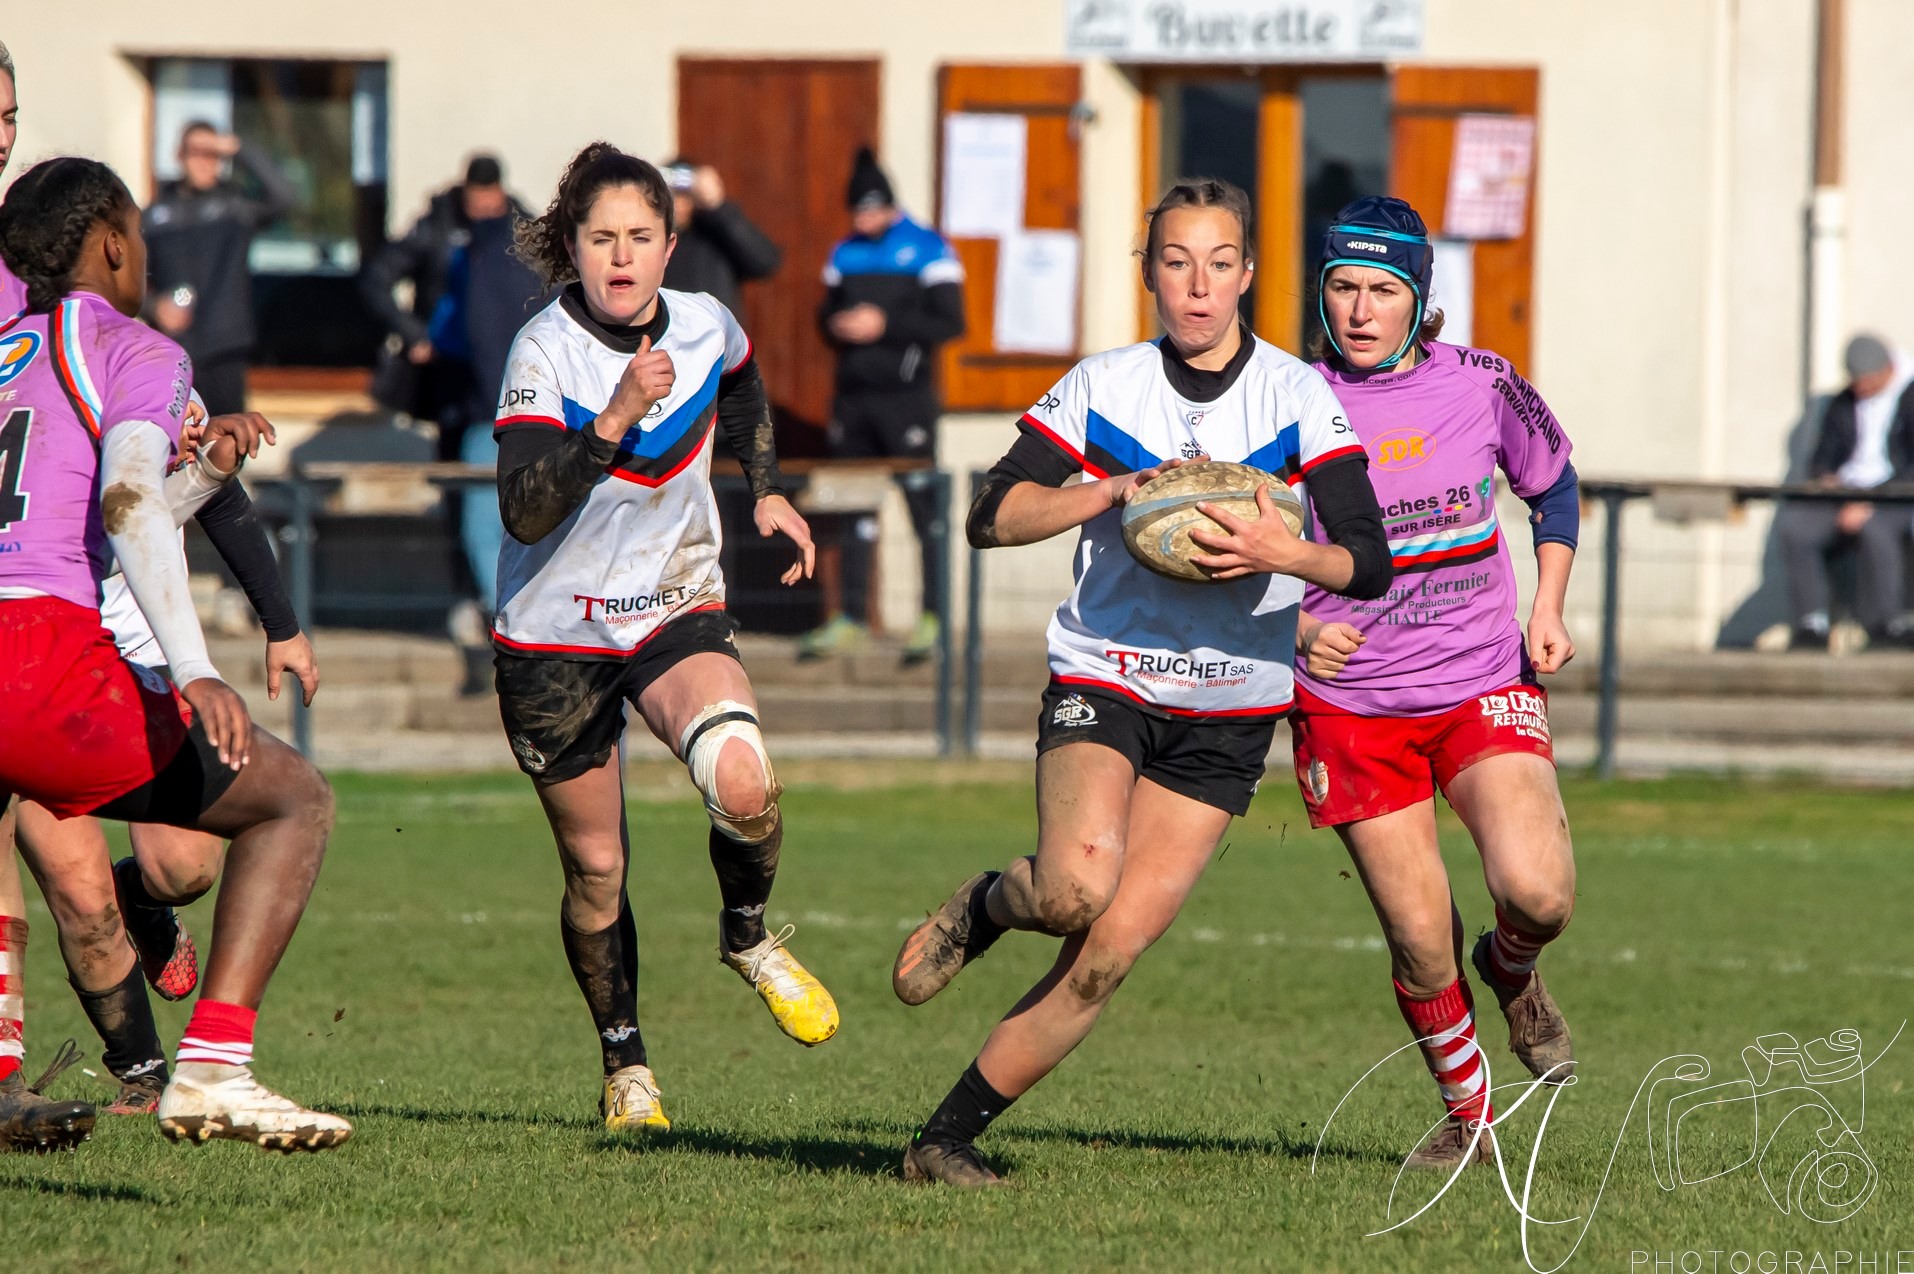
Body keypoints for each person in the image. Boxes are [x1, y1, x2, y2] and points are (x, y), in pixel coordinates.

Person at [889, 179, 1391, 1187]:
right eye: (1175, 261)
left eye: (1218, 263)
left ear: (1248, 273)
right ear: (1149, 271)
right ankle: (991, 903)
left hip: (1231, 709)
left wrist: (1282, 552)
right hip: (1108, 676)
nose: (1197, 286)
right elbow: (992, 511)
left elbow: (1369, 559)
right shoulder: (1105, 386)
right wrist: (1117, 490)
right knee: (1073, 886)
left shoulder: (1296, 396)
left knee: (1107, 952)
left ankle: (941, 1141)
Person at [0, 155, 348, 1151]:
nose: (146, 252)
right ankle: (213, 1066)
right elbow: (128, 499)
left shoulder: (6, 353)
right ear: (112, 245)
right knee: (292, 798)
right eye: (142, 234)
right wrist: (194, 666)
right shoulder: (134, 346)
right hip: (43, 656)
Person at [492, 142, 837, 1133]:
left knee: (743, 774)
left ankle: (747, 936)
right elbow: (523, 509)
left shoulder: (704, 321)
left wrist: (766, 492)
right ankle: (626, 1063)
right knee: (597, 869)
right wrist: (614, 418)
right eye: (600, 237)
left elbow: (743, 383)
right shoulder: (542, 353)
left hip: (672, 605)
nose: (621, 255)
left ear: (669, 244)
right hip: (552, 639)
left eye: (640, 236)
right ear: (572, 246)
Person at [1288, 196, 1581, 1171]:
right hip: (1352, 707)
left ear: (1421, 300)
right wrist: (1288, 626)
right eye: (1343, 287)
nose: (1362, 309)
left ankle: (1512, 965)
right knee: (1420, 940)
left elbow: (1555, 484)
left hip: (1478, 680)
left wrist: (1548, 605)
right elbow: (1218, 548)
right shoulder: (1284, 402)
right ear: (1319, 293)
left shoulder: (1485, 383)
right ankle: (1469, 1124)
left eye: (1383, 289)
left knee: (1537, 893)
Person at [9, 399, 320, 1120]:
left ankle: (142, 898)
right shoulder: (33, 385)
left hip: (135, 668)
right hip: (38, 673)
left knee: (183, 871)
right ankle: (143, 1076)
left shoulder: (142, 367)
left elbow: (191, 501)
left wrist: (281, 624)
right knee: (80, 899)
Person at [361, 155, 545, 689]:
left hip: (499, 408)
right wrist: (414, 333)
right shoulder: (444, 230)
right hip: (468, 401)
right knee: (471, 510)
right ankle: (486, 608)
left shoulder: (516, 241)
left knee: (489, 516)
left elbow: (470, 327)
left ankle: (501, 616)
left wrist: (437, 340)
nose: (483, 208)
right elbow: (379, 279)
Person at [802, 147, 966, 664]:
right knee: (853, 511)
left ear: (889, 205)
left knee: (924, 512)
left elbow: (949, 323)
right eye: (856, 212)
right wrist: (837, 325)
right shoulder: (843, 252)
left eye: (871, 209)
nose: (863, 220)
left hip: (907, 401)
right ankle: (851, 615)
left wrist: (885, 326)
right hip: (854, 401)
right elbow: (824, 314)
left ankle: (932, 615)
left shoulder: (928, 248)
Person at [142, 120, 297, 415]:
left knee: (227, 441)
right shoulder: (156, 215)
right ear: (179, 155)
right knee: (176, 444)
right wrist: (153, 306)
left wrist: (238, 149)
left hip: (224, 344)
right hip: (174, 347)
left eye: (212, 154)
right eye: (196, 152)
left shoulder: (235, 207)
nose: (204, 161)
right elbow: (126, 273)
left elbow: (284, 198)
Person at [1775, 334, 1914, 650]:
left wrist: (1872, 500)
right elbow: (1823, 454)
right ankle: (1811, 624)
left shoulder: (1910, 395)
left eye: (1868, 382)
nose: (1861, 389)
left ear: (1888, 369)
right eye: (1856, 382)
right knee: (1797, 529)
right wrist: (1826, 479)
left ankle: (1885, 624)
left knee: (1876, 529)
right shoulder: (1844, 402)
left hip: (1899, 495)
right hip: (1845, 495)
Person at [659, 159, 781, 319]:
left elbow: (765, 262)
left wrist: (718, 207)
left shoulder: (716, 232)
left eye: (687, 195)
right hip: (664, 337)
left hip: (717, 336)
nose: (680, 203)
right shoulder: (652, 238)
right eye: (673, 194)